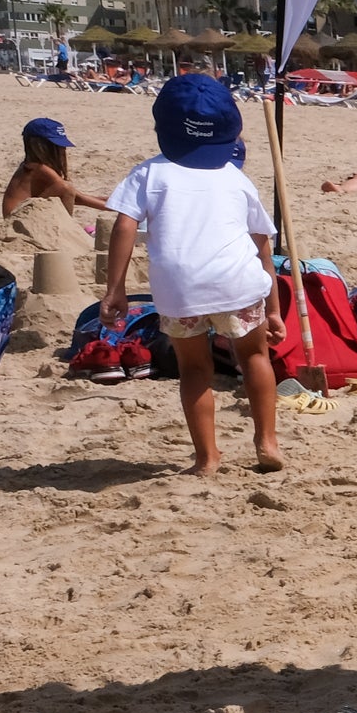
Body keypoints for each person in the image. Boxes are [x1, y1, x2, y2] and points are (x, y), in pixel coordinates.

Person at [100, 75, 282, 475]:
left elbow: (124, 227)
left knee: (195, 369)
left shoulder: (149, 173)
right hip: (238, 281)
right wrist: (274, 307)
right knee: (253, 356)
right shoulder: (236, 177)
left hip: (179, 290)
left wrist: (116, 289)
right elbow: (262, 244)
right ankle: (266, 441)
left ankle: (207, 458)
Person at [6, 117, 113, 219]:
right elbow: (76, 196)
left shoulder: (31, 165)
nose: (63, 149)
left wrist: (112, 201)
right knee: (67, 189)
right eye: (58, 146)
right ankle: (66, 228)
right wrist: (117, 208)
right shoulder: (39, 169)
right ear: (40, 146)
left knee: (66, 189)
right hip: (18, 219)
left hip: (21, 216)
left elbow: (79, 196)